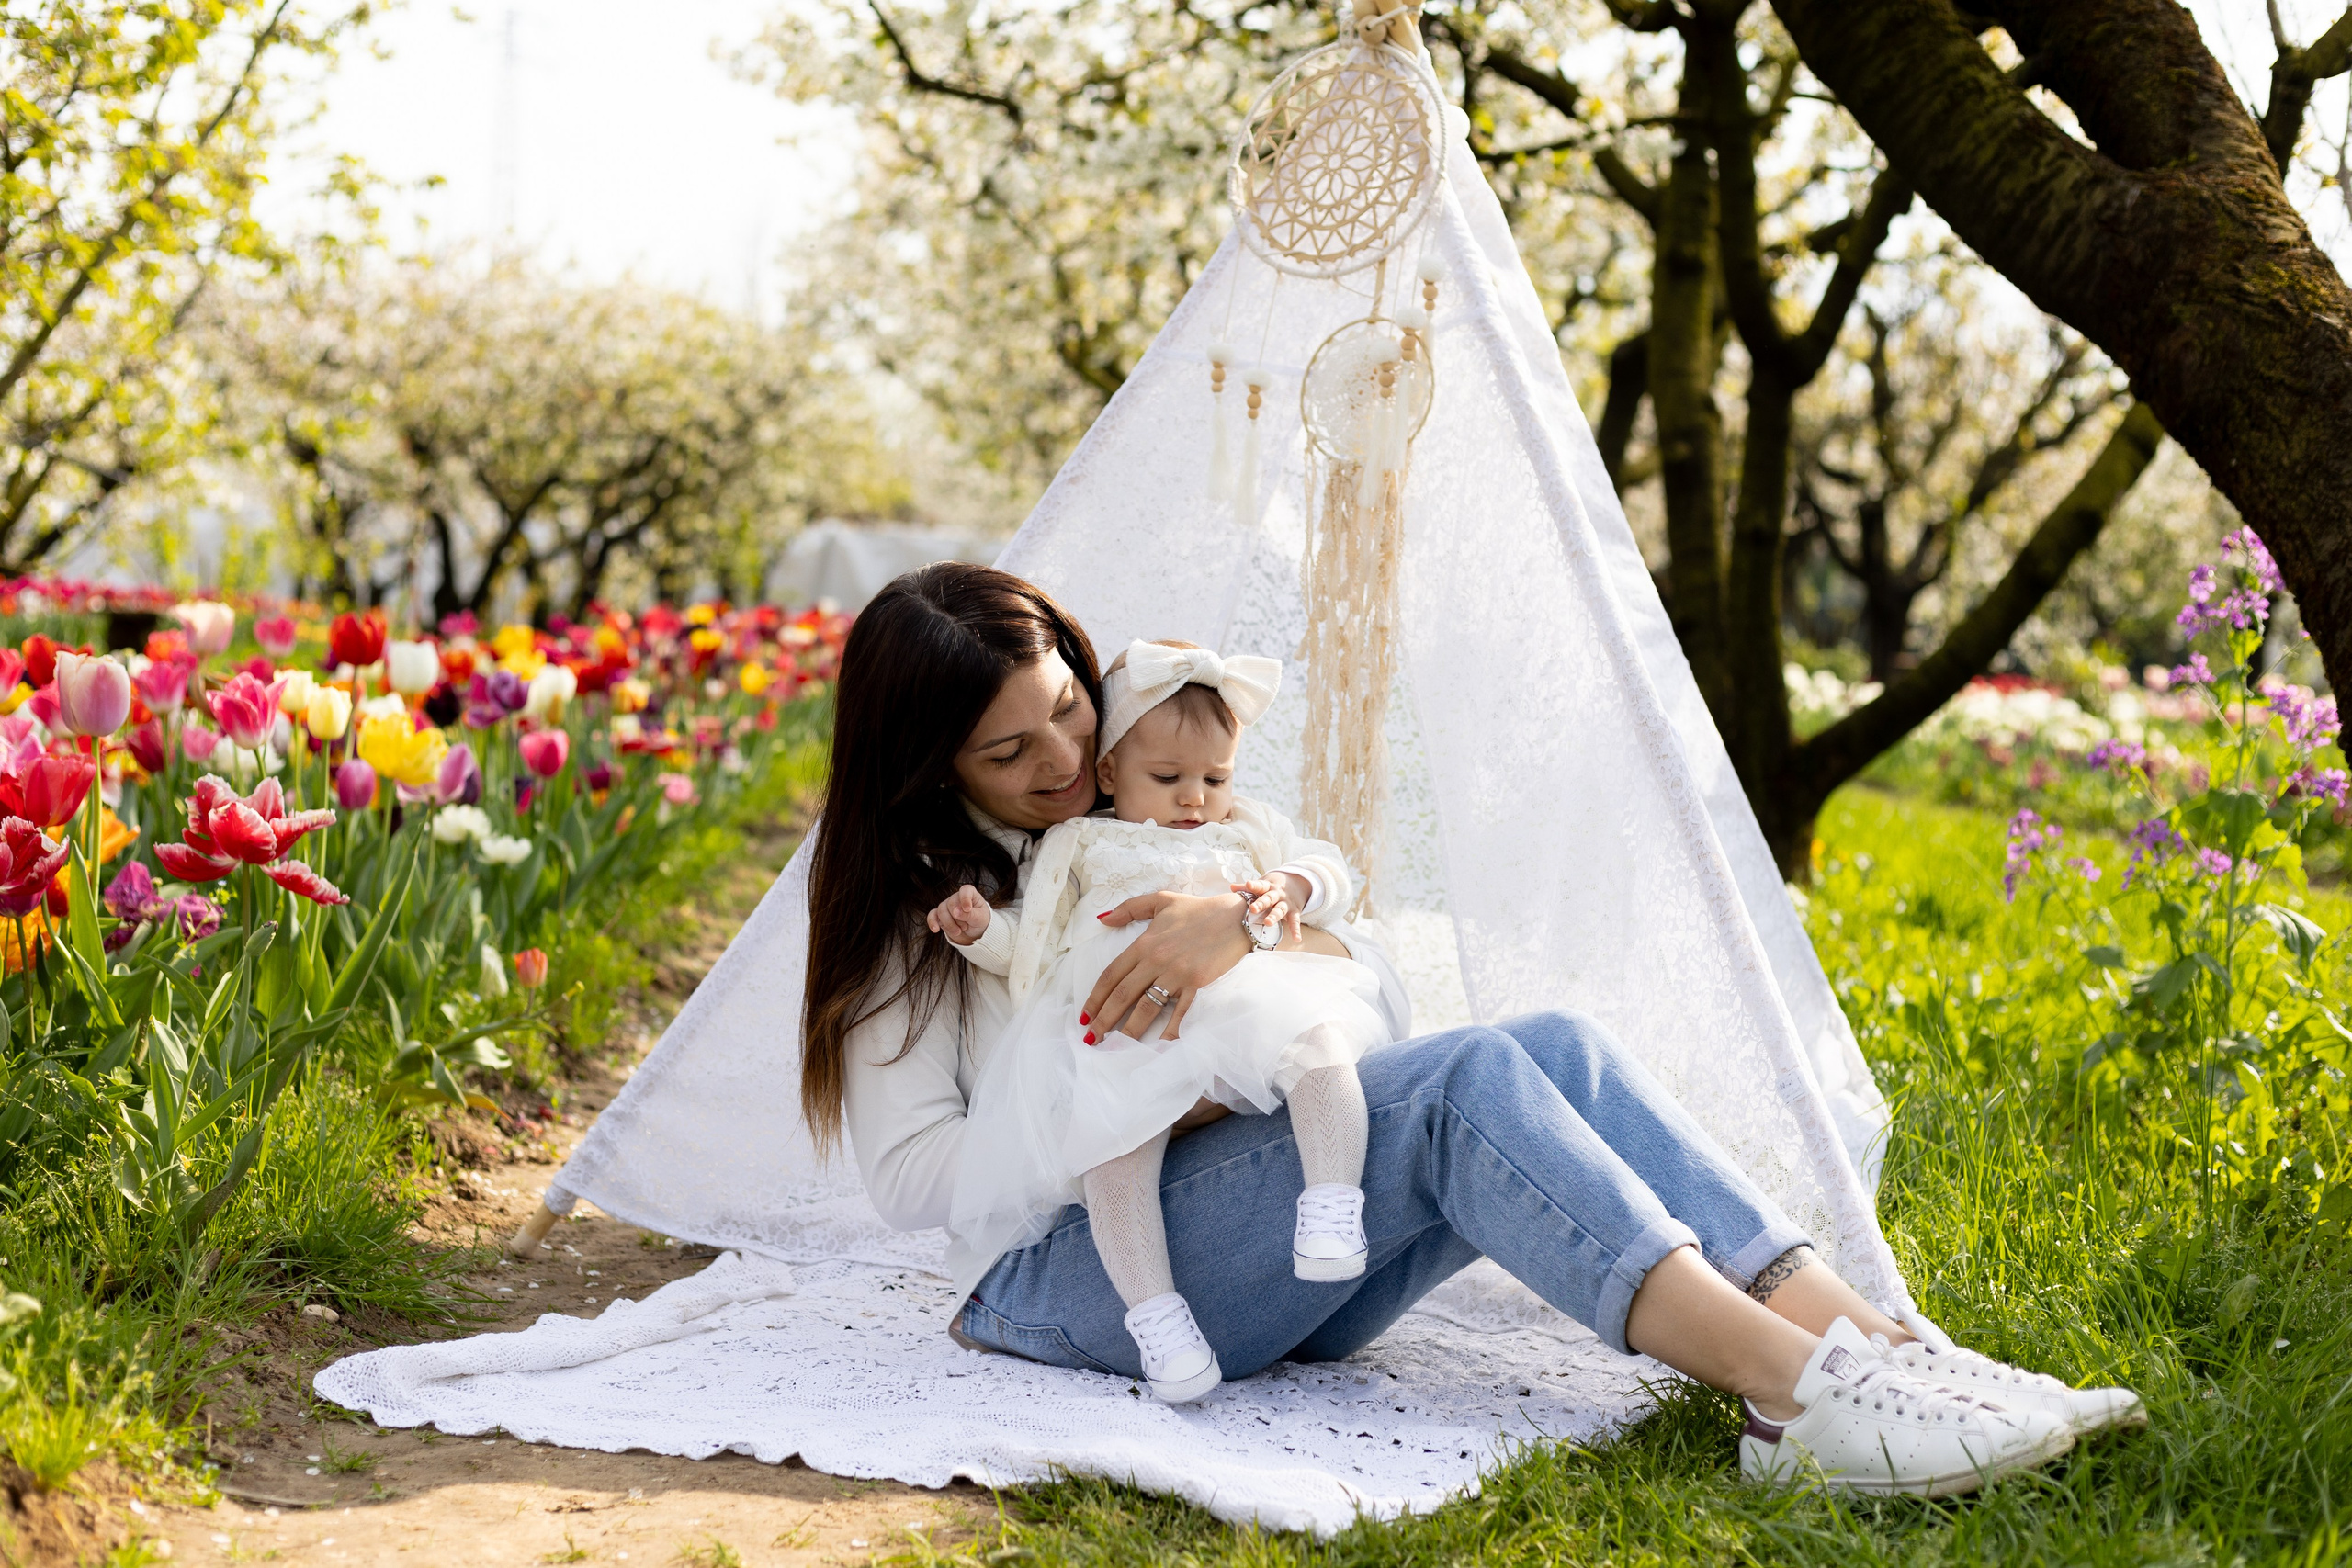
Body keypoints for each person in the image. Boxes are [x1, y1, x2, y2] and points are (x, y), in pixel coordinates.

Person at [801, 562, 2145, 1497]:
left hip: (1256, 1235)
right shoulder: (927, 912)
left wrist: (1249, 928)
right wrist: (1149, 1102)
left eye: (1069, 710)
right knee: (1458, 1090)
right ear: (930, 768)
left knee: (1544, 1042)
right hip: (1073, 1277)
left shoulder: (1169, 825)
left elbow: (1374, 990)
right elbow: (913, 1180)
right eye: (1006, 751)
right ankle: (1796, 1394)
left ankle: (1891, 1351)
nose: (1057, 759)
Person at [933, 638, 1385, 1403]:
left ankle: (1333, 1202)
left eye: (1215, 776)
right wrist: (981, 930)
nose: (1194, 799)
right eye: (1168, 778)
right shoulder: (1079, 840)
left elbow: (1332, 870)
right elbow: (1035, 942)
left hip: (1242, 1002)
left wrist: (1290, 885)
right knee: (1112, 1152)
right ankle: (1157, 1319)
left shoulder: (1246, 825)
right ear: (1109, 773)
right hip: (1126, 1032)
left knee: (1320, 1047)